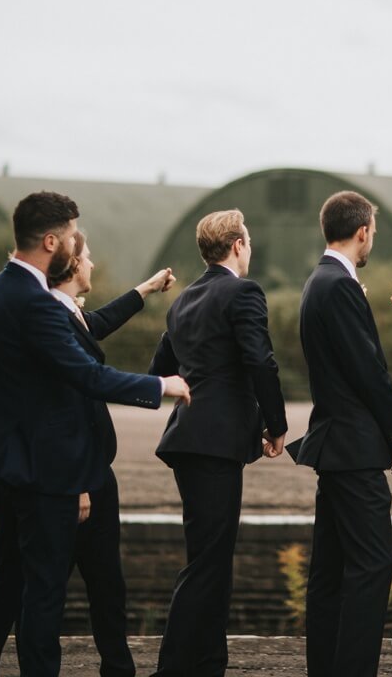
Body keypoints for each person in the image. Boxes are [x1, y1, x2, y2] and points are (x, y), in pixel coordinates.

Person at [0, 191, 190, 677]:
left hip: (2, 470)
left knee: (9, 582)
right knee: (43, 596)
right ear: (51, 240)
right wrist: (161, 385)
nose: (79, 245)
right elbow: (88, 377)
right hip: (43, 476)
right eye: (75, 237)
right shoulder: (35, 303)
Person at [148, 210, 289, 677]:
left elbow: (159, 371)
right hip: (216, 441)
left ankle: (209, 664)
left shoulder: (184, 299)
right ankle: (171, 669)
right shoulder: (243, 292)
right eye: (247, 240)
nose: (249, 248)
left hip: (188, 435)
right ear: (236, 246)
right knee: (208, 562)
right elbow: (260, 361)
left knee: (211, 556)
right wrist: (275, 424)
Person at [295, 190, 392, 677]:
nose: (372, 241)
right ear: (362, 231)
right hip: (354, 450)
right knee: (371, 568)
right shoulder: (340, 287)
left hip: (334, 448)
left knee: (329, 571)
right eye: (373, 233)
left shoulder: (317, 282)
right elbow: (369, 371)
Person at [49, 231, 176, 677]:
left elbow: (99, 322)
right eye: (87, 257)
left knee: (109, 585)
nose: (93, 264)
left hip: (95, 475)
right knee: (54, 589)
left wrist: (145, 289)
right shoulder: (54, 321)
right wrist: (81, 482)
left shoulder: (71, 316)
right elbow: (68, 407)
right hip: (78, 480)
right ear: (70, 266)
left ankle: (118, 670)